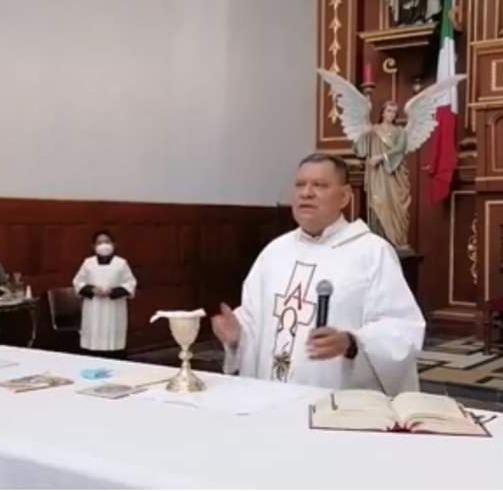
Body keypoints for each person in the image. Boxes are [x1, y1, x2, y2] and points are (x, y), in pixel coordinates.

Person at [212, 153, 425, 396]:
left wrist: (351, 342)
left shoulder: (372, 253)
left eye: (320, 185)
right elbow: (254, 320)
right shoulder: (274, 252)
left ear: (344, 197)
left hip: (338, 409)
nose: (306, 193)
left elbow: (401, 327)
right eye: (300, 185)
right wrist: (237, 336)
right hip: (269, 400)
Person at [353, 101, 411, 251]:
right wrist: (363, 134)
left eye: (394, 112)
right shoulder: (373, 131)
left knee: (397, 206)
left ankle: (397, 240)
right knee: (379, 203)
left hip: (394, 174)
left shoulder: (400, 132)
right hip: (377, 176)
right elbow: (360, 150)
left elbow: (400, 149)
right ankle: (379, 241)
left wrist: (381, 157)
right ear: (382, 113)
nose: (391, 114)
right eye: (388, 111)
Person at [73, 230, 137, 359]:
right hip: (94, 306)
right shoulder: (88, 263)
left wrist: (113, 292)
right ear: (93, 246)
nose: (103, 245)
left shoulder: (121, 263)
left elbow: (130, 283)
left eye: (107, 241)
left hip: (114, 306)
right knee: (93, 334)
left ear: (113, 244)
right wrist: (92, 290)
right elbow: (78, 282)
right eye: (99, 242)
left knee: (113, 336)